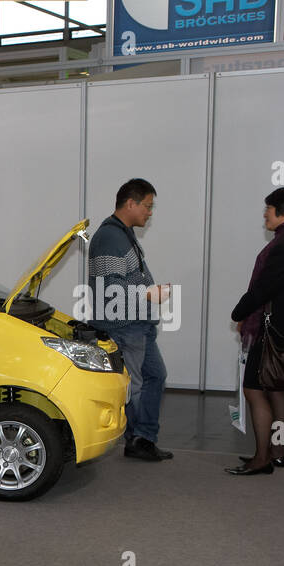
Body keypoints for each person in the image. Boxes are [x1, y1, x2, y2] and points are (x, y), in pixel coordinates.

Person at [226, 185, 284, 476]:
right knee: (277, 389)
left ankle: (262, 458)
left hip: (270, 327)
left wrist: (238, 312)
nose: (264, 214)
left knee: (253, 389)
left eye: (268, 208)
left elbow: (262, 290)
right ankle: (277, 452)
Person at [88, 178, 174, 461]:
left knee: (153, 376)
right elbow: (110, 287)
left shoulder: (121, 233)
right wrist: (150, 294)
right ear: (130, 203)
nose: (150, 213)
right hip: (124, 326)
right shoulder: (110, 237)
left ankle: (143, 438)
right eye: (147, 206)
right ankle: (137, 440)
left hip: (136, 325)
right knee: (135, 385)